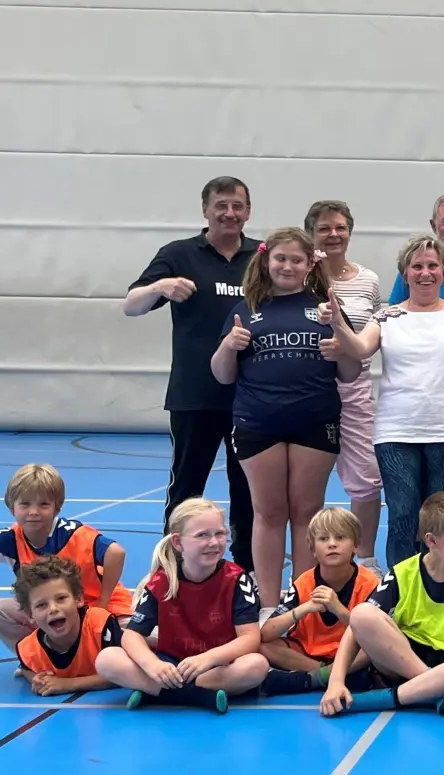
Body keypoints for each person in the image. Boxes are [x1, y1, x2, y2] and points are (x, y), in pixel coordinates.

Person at [328, 235, 444, 568]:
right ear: (405, 273)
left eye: (432, 266)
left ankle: (440, 587)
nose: (425, 273)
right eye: (417, 266)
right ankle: (402, 591)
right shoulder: (387, 317)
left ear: (443, 272)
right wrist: (337, 323)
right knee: (402, 513)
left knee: (440, 517)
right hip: (397, 432)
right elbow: (360, 349)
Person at [211, 227, 361, 609]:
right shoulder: (246, 307)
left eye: (297, 259)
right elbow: (222, 374)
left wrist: (339, 348)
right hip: (258, 423)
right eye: (281, 258)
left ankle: (303, 600)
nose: (288, 266)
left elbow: (350, 372)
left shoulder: (325, 307)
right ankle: (267, 602)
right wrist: (229, 346)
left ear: (310, 264)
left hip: (315, 420)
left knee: (306, 511)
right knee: (268, 510)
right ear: (266, 260)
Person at [122, 176, 256, 571]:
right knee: (185, 487)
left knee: (248, 490)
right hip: (193, 396)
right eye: (221, 205)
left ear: (248, 211)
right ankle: (170, 573)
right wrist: (159, 286)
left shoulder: (262, 257)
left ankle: (245, 569)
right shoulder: (179, 254)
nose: (230, 213)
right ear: (205, 210)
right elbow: (131, 305)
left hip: (251, 399)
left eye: (237, 206)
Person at [323, 493, 444, 716]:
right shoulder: (404, 573)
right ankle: (434, 690)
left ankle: (382, 699)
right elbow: (356, 629)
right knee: (362, 614)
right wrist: (336, 681)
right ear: (431, 541)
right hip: (403, 659)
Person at [95, 498, 269, 712]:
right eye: (202, 535)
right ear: (178, 542)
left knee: (256, 665)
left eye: (220, 533)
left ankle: (156, 692)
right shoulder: (162, 581)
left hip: (213, 667)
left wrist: (208, 658)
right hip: (169, 663)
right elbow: (132, 635)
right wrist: (153, 665)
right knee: (106, 659)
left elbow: (250, 638)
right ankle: (199, 696)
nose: (214, 542)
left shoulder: (236, 580)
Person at [0, 464, 134, 654]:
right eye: (25, 504)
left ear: (56, 508)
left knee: (142, 638)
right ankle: (36, 659)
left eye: (43, 504)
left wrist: (103, 601)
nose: (33, 511)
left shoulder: (74, 534)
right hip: (54, 610)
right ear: (12, 508)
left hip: (96, 607)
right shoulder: (11, 538)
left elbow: (116, 553)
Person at [306, 200, 385, 572]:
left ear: (350, 232)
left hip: (355, 389)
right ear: (311, 234)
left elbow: (372, 333)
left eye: (340, 227)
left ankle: (366, 557)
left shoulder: (368, 280)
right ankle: (311, 561)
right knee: (306, 481)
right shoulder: (301, 277)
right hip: (308, 389)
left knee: (367, 477)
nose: (333, 234)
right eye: (324, 228)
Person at [258, 508, 380, 696]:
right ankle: (327, 674)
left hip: (351, 652)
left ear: (356, 545)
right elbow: (265, 633)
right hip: (308, 652)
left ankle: (310, 679)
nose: (332, 544)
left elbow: (375, 633)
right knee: (263, 646)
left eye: (340, 538)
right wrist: (303, 608)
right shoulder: (304, 582)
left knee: (375, 648)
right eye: (323, 539)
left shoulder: (370, 582)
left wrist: (339, 609)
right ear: (313, 549)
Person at [13, 557, 119, 696]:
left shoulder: (100, 624)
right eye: (41, 605)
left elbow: (124, 673)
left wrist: (67, 684)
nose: (53, 608)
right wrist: (36, 679)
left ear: (78, 599)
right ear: (30, 615)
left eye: (61, 598)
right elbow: (26, 667)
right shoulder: (29, 649)